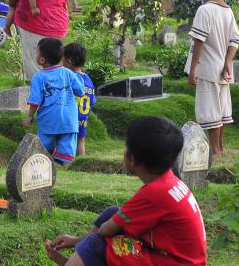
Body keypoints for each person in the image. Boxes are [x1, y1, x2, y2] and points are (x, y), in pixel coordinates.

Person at [45, 117, 207, 266]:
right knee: (113, 213)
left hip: (172, 261)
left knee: (96, 243)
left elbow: (106, 230)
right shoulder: (168, 181)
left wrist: (86, 241)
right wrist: (76, 241)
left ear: (132, 158)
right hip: (175, 257)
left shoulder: (154, 192)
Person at [184, 0, 239, 157]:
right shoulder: (228, 11)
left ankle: (214, 150)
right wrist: (227, 62)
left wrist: (193, 70)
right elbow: (235, 41)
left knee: (210, 111)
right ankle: (220, 148)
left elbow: (199, 41)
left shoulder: (205, 10)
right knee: (222, 110)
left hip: (207, 69)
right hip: (223, 69)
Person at [23, 38, 84, 164]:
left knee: (43, 151)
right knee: (66, 152)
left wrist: (29, 116)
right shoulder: (68, 73)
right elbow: (80, 91)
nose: (36, 55)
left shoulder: (38, 77)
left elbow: (35, 100)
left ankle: (45, 166)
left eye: (37, 52)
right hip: (69, 121)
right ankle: (63, 164)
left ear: (42, 59)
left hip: (48, 122)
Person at [62, 43, 96, 156]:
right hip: (83, 117)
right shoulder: (88, 80)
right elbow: (93, 100)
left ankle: (61, 162)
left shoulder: (69, 77)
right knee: (80, 140)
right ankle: (80, 162)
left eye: (63, 60)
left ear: (69, 61)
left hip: (70, 116)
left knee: (61, 138)